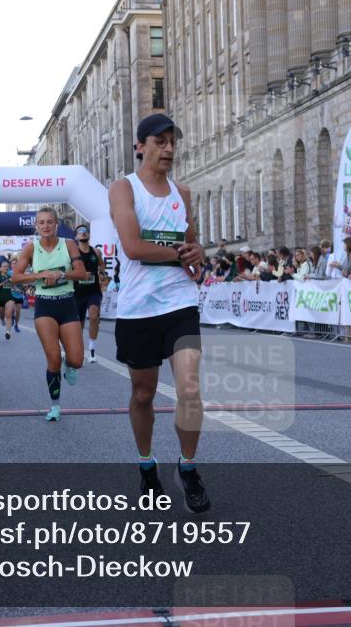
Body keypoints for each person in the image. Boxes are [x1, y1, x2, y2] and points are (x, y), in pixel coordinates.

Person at [109, 113, 210, 513]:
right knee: (143, 394)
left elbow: (191, 245)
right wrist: (178, 255)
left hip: (180, 303)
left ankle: (188, 468)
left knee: (189, 388)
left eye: (172, 142)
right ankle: (147, 465)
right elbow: (133, 247)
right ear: (140, 146)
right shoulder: (123, 189)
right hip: (138, 309)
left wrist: (198, 253)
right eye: (159, 141)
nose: (168, 149)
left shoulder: (182, 193)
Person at [11, 207, 87, 422]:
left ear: (57, 225)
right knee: (53, 359)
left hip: (67, 304)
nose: (45, 226)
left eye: (49, 222)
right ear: (36, 226)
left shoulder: (69, 244)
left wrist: (61, 274)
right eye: (41, 222)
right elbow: (15, 277)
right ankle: (55, 406)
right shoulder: (30, 248)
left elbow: (82, 273)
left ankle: (68, 363)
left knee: (77, 360)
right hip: (45, 306)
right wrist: (39, 275)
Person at [73, 224, 106, 363]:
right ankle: (78, 349)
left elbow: (101, 264)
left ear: (89, 234)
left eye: (85, 231)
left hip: (93, 291)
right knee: (78, 325)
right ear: (76, 236)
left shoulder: (96, 252)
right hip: (78, 293)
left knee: (93, 316)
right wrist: (79, 274)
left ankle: (92, 347)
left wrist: (102, 273)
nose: (83, 233)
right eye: (80, 231)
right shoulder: (73, 253)